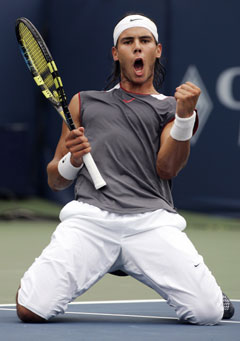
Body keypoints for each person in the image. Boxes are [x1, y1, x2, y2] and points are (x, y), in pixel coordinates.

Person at [16, 13, 234, 325]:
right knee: (30, 309)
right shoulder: (83, 103)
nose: (136, 48)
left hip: (150, 223)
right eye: (127, 42)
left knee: (207, 313)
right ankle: (73, 270)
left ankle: (206, 291)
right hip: (92, 220)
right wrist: (72, 160)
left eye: (144, 41)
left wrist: (185, 118)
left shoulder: (170, 108)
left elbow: (168, 168)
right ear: (116, 53)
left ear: (156, 50)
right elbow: (56, 180)